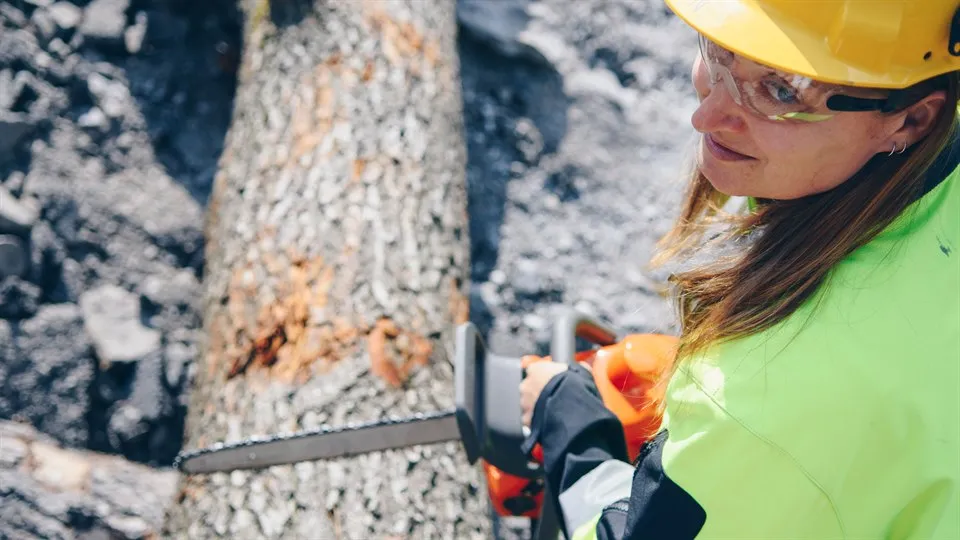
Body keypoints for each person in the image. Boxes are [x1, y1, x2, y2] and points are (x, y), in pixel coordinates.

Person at [519, 1, 960, 538]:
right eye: (721, 51)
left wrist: (576, 434)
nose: (705, 117)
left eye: (782, 91)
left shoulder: (762, 401)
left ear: (912, 119)